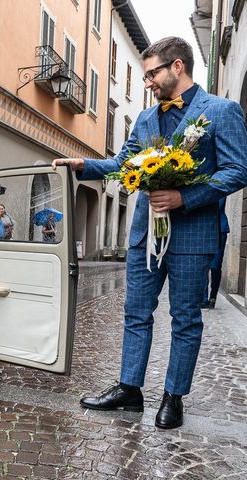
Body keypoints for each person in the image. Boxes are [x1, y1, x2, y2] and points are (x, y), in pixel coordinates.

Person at [52, 37, 247, 429]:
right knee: (135, 313)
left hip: (192, 236)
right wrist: (82, 166)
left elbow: (237, 170)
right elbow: (124, 163)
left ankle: (173, 397)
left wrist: (183, 196)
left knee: (185, 318)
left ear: (177, 67)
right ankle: (129, 389)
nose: (147, 83)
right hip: (145, 236)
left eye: (152, 73)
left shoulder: (221, 111)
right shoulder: (144, 119)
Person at [201, 197, 229, 309]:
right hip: (203, 229)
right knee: (203, 264)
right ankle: (203, 298)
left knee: (215, 266)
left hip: (219, 228)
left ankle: (213, 297)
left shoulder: (219, 180)